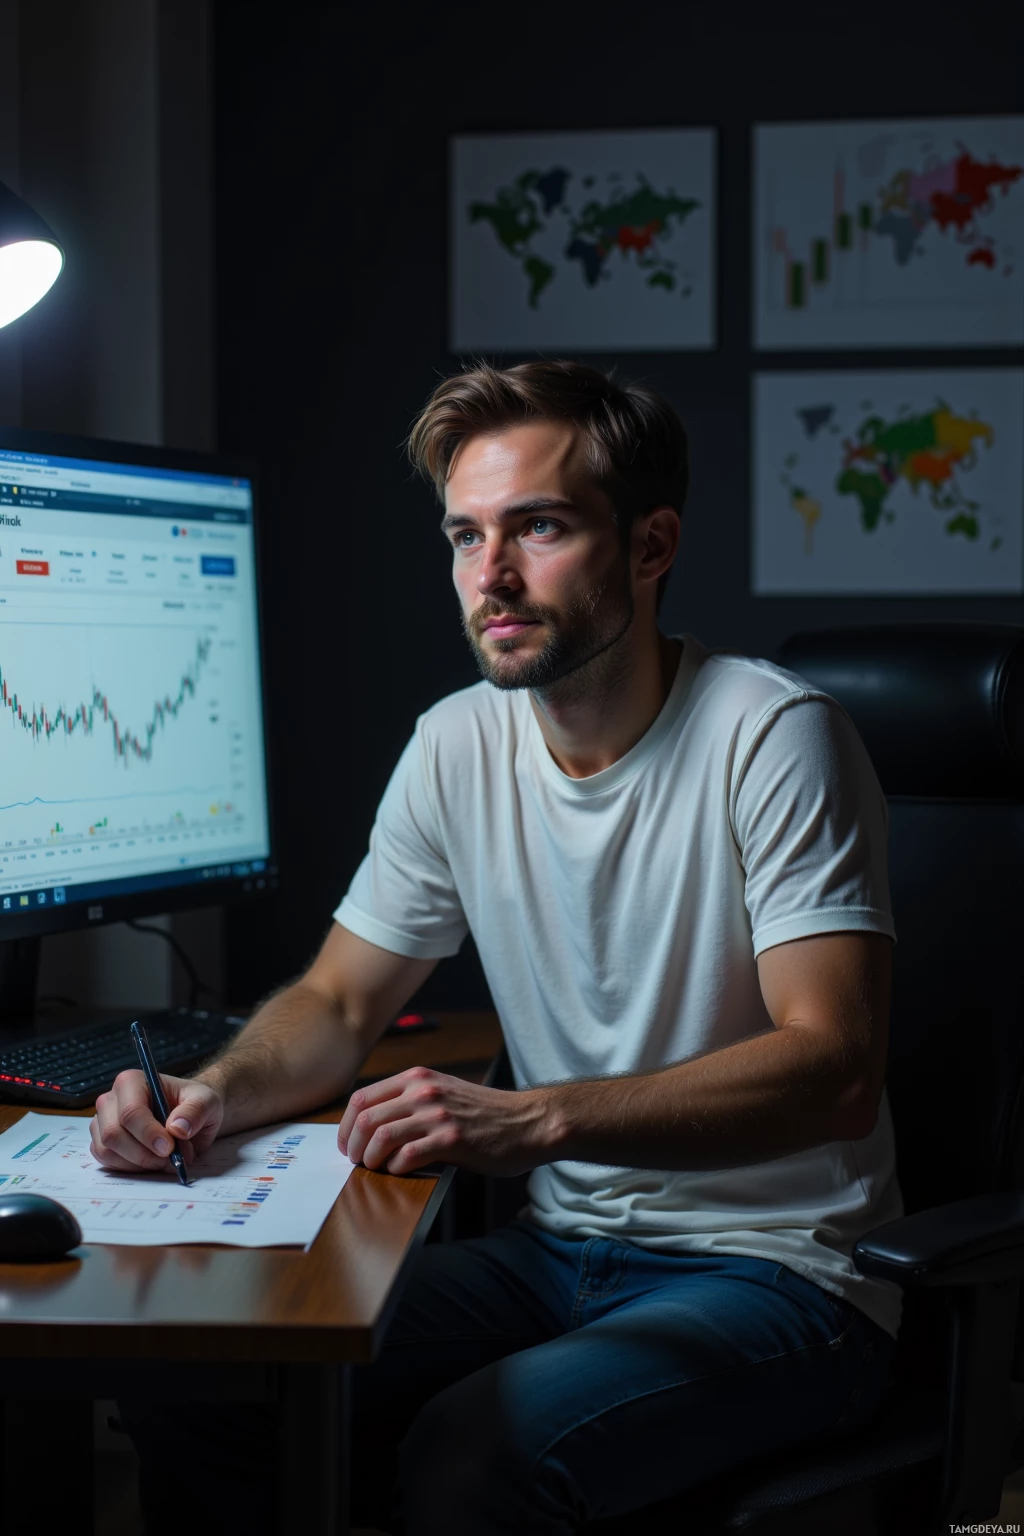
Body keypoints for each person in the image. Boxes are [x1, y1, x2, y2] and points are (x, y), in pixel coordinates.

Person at [103, 360, 902, 1535]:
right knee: (205, 1389)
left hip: (782, 1277)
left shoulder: (772, 736)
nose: (494, 574)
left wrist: (533, 1121)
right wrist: (211, 1094)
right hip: (559, 1253)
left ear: (648, 544)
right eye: (466, 536)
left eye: (539, 527)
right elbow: (334, 1003)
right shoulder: (456, 744)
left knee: (474, 1459)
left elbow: (834, 1067)